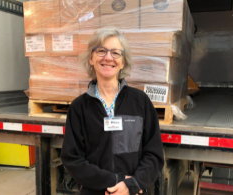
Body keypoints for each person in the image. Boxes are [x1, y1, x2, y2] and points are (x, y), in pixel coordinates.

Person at [61, 26, 164, 195]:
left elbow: (154, 154)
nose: (108, 57)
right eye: (101, 51)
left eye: (115, 53)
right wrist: (115, 182)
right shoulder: (79, 107)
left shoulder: (140, 102)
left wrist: (132, 184)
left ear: (123, 62)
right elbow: (72, 159)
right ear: (91, 58)